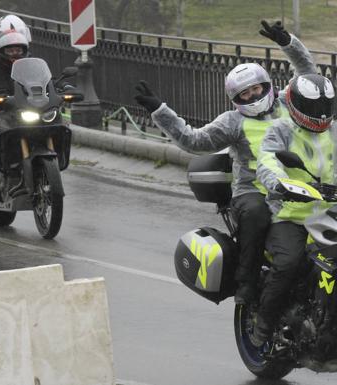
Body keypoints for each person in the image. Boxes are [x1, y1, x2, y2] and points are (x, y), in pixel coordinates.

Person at [134, 21, 317, 305]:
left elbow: (308, 74)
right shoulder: (232, 122)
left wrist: (287, 42)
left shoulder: (289, 104)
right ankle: (247, 283)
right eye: (245, 94)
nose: (253, 96)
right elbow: (192, 140)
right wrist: (160, 110)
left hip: (299, 186)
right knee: (256, 214)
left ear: (267, 86)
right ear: (236, 99)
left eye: (256, 89)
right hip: (254, 192)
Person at [252, 73, 337, 346]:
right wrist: (280, 183)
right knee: (288, 263)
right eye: (314, 108)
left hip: (329, 213)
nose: (320, 114)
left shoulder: (335, 131)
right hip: (290, 214)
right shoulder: (280, 129)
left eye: (325, 107)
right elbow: (267, 160)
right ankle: (263, 324)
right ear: (295, 104)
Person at [0, 14, 32, 201]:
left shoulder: (31, 67)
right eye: (10, 50)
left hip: (25, 117)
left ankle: (42, 173)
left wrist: (62, 90)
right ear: (1, 50)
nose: (15, 53)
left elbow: (47, 83)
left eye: (18, 49)